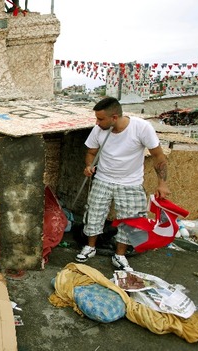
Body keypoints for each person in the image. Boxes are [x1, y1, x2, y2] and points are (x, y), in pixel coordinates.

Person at [76, 96, 170, 271]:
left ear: (114, 118)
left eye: (100, 119)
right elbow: (91, 152)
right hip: (103, 179)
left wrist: (162, 184)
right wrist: (89, 166)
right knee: (94, 214)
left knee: (130, 220)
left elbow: (159, 156)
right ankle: (90, 247)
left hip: (131, 183)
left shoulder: (141, 128)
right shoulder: (99, 130)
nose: (97, 123)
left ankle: (119, 255)